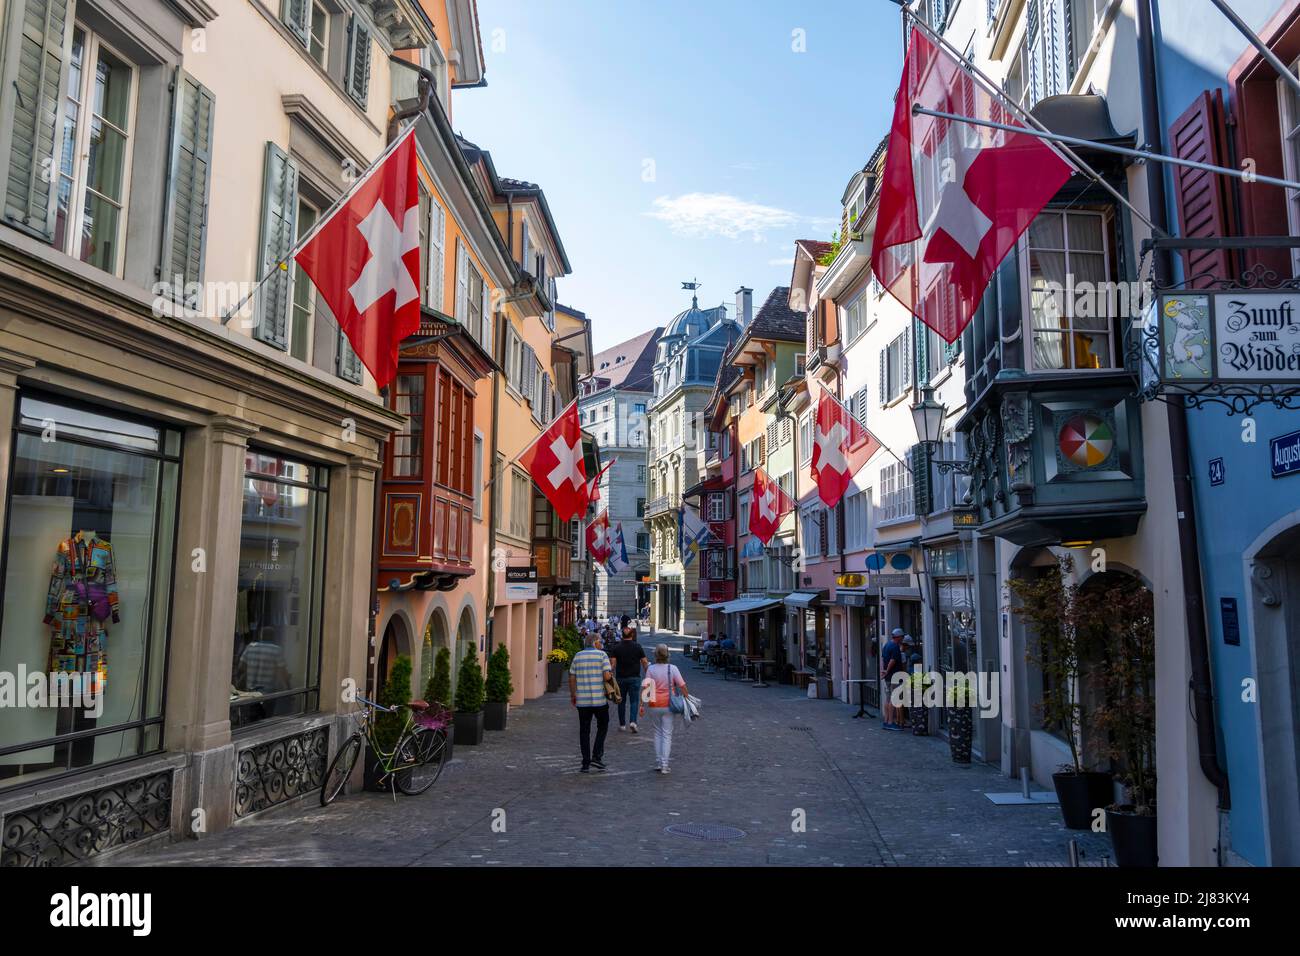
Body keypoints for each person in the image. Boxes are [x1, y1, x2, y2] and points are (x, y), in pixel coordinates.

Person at [569, 632, 613, 772]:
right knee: (603, 726)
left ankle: (585, 763)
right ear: (595, 642)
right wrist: (611, 673)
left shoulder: (578, 656)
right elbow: (607, 676)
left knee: (584, 731)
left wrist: (573, 694)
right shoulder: (602, 655)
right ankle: (596, 756)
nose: (601, 644)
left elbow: (571, 677)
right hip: (599, 700)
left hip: (582, 700)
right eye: (600, 641)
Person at [640, 644, 688, 774]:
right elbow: (682, 685)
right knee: (667, 734)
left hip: (654, 704)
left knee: (657, 733)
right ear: (668, 655)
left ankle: (658, 761)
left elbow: (646, 688)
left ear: (655, 655)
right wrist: (687, 698)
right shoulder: (673, 668)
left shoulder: (650, 669)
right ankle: (665, 764)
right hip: (669, 704)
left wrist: (641, 705)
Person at [608, 626, 648, 733]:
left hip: (621, 678)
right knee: (634, 701)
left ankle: (622, 725)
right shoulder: (638, 646)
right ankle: (633, 722)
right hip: (634, 678)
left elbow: (613, 665)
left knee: (621, 701)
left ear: (622, 635)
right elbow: (644, 662)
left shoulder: (616, 648)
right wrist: (648, 672)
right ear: (632, 635)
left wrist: (609, 673)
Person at [881, 628, 907, 731]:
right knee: (893, 698)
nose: (903, 639)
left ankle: (886, 721)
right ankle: (891, 722)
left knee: (887, 699)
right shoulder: (896, 647)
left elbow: (883, 659)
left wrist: (884, 671)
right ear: (899, 637)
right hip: (894, 676)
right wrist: (887, 671)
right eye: (902, 637)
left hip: (888, 677)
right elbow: (893, 660)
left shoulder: (886, 645)